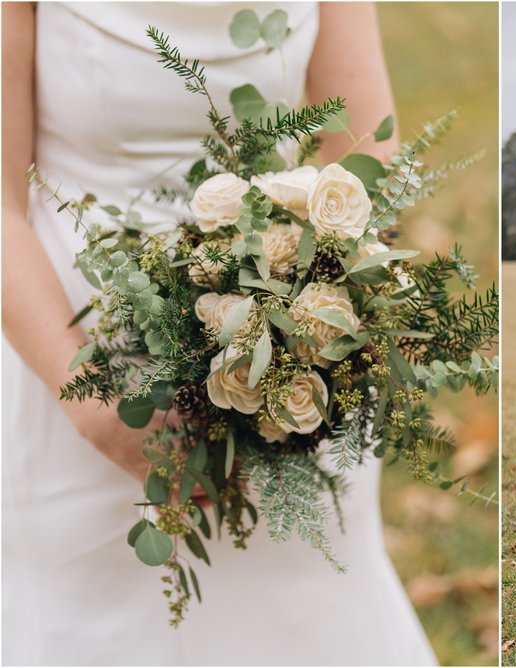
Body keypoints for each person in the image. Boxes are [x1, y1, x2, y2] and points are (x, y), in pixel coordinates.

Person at [2, 3, 437, 664]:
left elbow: (365, 154)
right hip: (76, 361)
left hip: (285, 365)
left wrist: (312, 331)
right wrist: (92, 407)